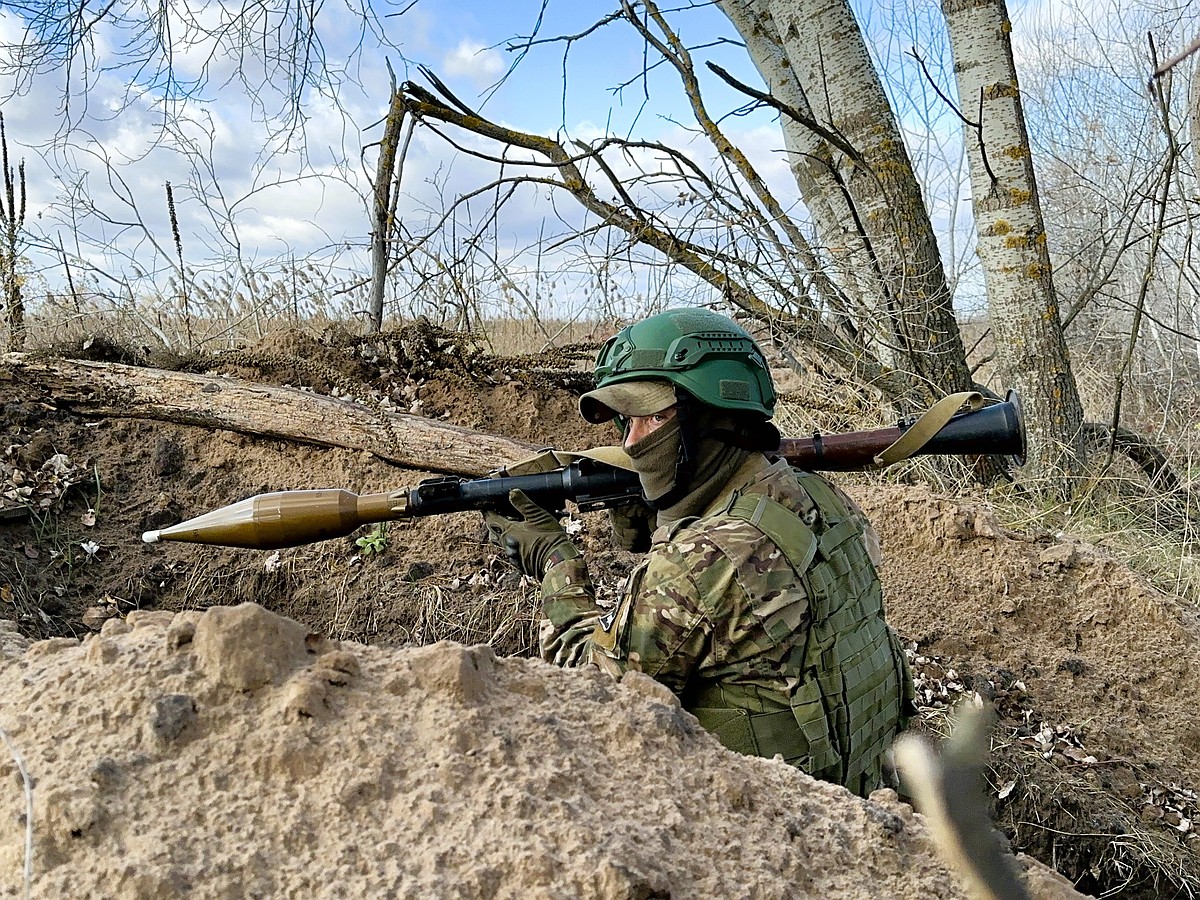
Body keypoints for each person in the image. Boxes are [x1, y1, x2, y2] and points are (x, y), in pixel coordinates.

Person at [483, 307, 914, 797]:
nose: (633, 442)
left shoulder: (698, 563)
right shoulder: (824, 498)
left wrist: (555, 563)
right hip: (867, 806)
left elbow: (593, 705)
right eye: (628, 421)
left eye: (655, 418)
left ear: (713, 418)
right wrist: (661, 519)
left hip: (767, 834)